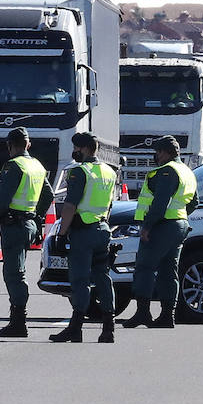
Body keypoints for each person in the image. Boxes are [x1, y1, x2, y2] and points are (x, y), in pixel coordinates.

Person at [49, 132, 118, 343]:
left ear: (85, 148)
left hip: (83, 232)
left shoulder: (80, 172)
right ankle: (108, 328)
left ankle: (75, 328)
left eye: (76, 148)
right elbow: (109, 204)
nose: (75, 152)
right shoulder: (109, 171)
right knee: (103, 278)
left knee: (80, 280)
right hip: (102, 229)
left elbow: (70, 206)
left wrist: (61, 234)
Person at [122, 135, 196, 329]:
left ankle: (143, 313)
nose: (156, 156)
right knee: (168, 270)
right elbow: (194, 202)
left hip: (163, 226)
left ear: (164, 152)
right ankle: (167, 315)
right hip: (179, 224)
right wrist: (180, 215)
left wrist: (147, 226)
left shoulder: (167, 172)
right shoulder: (187, 171)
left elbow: (160, 202)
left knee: (145, 267)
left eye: (157, 152)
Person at [0, 127, 53, 337]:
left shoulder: (14, 166)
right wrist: (36, 215)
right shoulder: (36, 165)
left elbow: (4, 197)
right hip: (29, 223)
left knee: (14, 274)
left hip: (14, 225)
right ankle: (17, 320)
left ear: (10, 145)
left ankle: (18, 322)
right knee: (19, 271)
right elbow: (49, 194)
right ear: (28, 144)